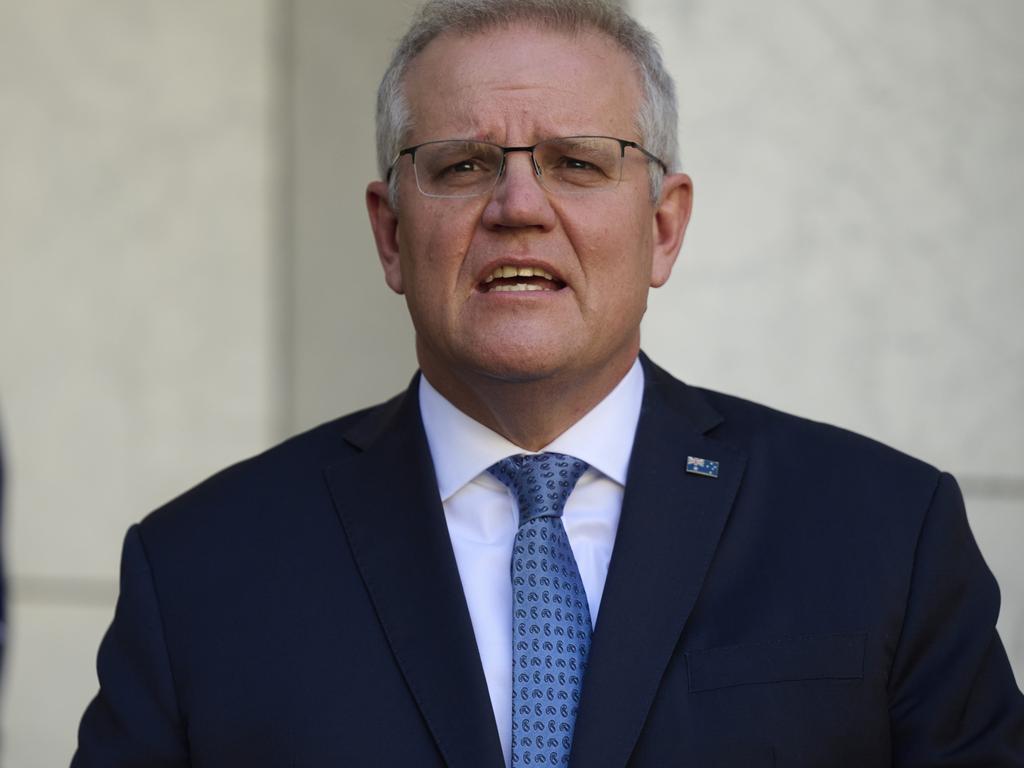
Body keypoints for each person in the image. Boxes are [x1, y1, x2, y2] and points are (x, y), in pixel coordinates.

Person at [72, 1, 1024, 766]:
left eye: (577, 163)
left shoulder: (883, 532)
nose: (519, 207)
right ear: (392, 234)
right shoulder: (199, 572)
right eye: (463, 165)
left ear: (663, 227)